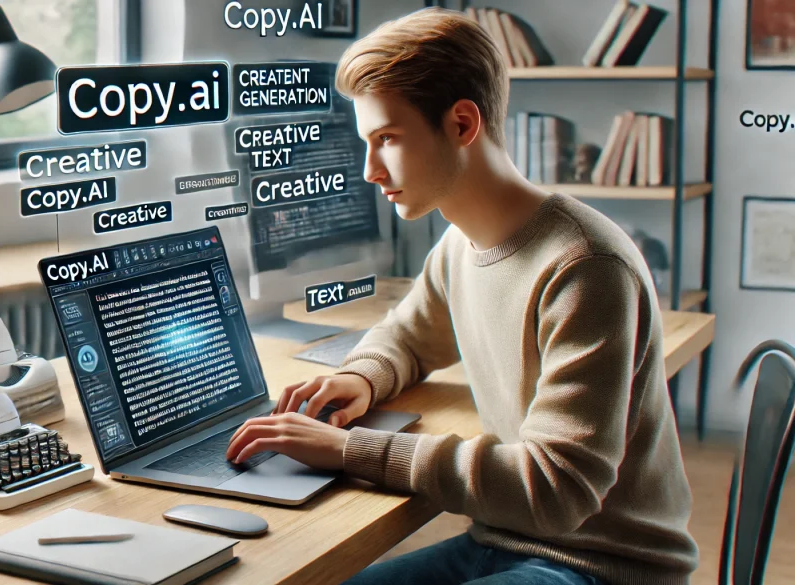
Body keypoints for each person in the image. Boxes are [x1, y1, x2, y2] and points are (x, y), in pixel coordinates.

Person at [224, 6, 699, 585]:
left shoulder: (586, 266)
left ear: (462, 124)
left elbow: (557, 490)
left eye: (388, 139)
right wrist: (363, 377)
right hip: (501, 538)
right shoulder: (459, 245)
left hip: (603, 565)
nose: (371, 170)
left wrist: (351, 451)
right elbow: (408, 337)